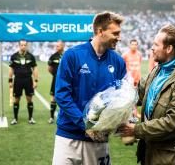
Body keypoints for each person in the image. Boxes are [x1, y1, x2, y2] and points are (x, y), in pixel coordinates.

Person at [52, 11, 126, 165]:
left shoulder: (118, 62)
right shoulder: (72, 55)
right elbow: (62, 95)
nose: (119, 37)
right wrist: (85, 125)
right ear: (100, 31)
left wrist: (126, 119)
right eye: (115, 33)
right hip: (68, 138)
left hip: (99, 141)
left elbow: (121, 98)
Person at [118, 24, 175, 165]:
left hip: (172, 158)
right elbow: (135, 95)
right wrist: (110, 106)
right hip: (150, 153)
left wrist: (136, 130)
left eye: (156, 44)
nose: (152, 48)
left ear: (168, 49)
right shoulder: (157, 71)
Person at [9, 40, 38, 125]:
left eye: (25, 45)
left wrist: (35, 80)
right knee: (16, 100)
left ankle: (30, 118)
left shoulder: (31, 56)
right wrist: (10, 80)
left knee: (29, 99)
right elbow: (11, 69)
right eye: (21, 45)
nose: (23, 46)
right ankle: (15, 118)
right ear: (19, 45)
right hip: (17, 80)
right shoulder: (14, 56)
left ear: (27, 46)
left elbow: (35, 68)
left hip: (28, 80)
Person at [47, 41, 65, 124]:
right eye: (56, 46)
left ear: (63, 46)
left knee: (66, 97)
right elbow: (49, 69)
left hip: (66, 80)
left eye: (58, 46)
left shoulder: (67, 55)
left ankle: (65, 117)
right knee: (53, 98)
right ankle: (51, 117)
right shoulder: (53, 56)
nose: (56, 47)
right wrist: (55, 75)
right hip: (56, 80)